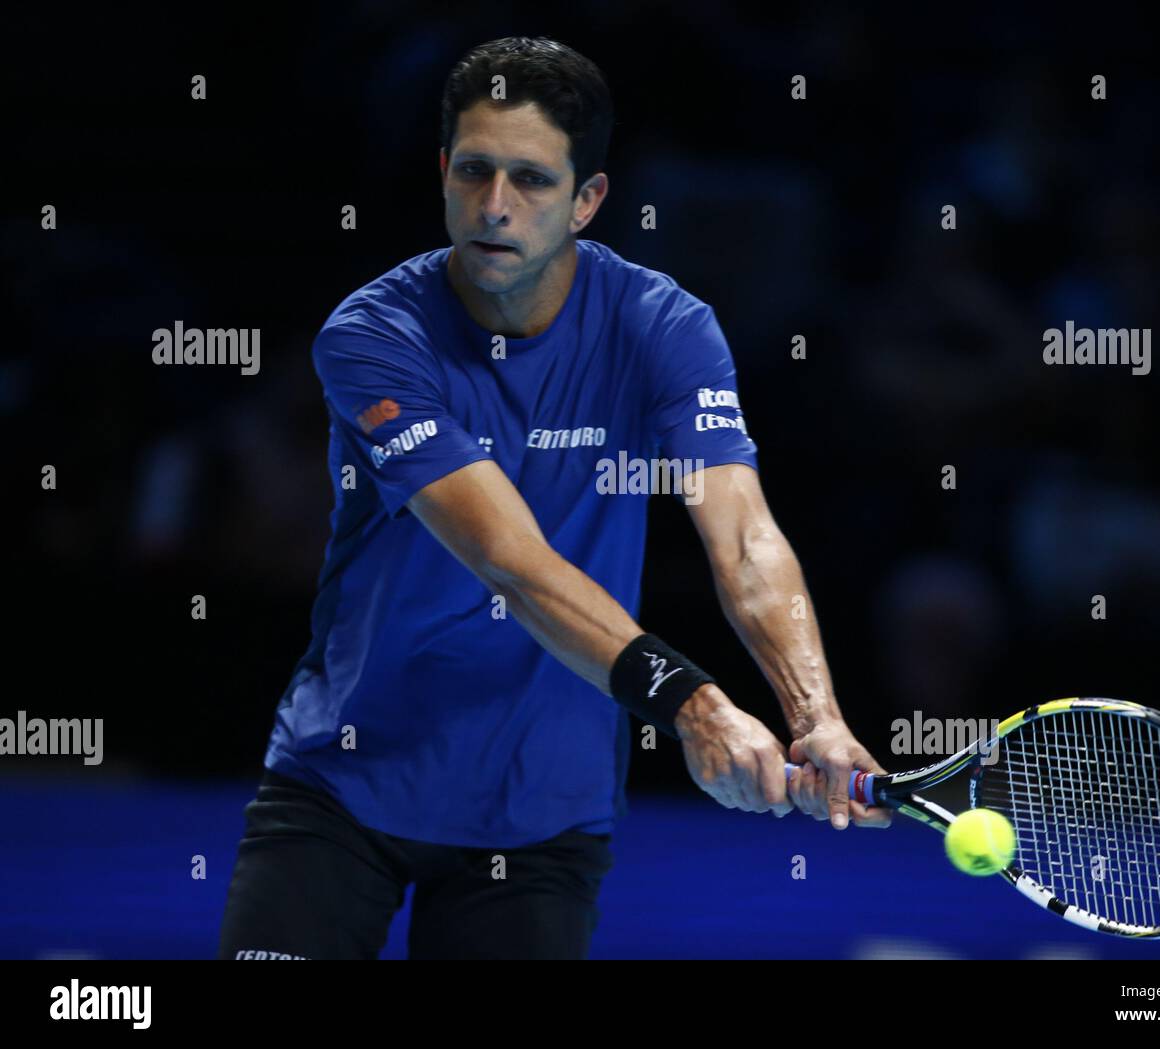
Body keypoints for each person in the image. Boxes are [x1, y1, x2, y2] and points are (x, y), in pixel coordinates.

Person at [217, 35, 890, 961]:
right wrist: (697, 707)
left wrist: (816, 717)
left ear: (587, 200)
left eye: (532, 180)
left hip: (539, 817)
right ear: (443, 174)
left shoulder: (663, 327)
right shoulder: (372, 337)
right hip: (344, 786)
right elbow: (512, 562)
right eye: (475, 171)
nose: (495, 205)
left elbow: (745, 540)